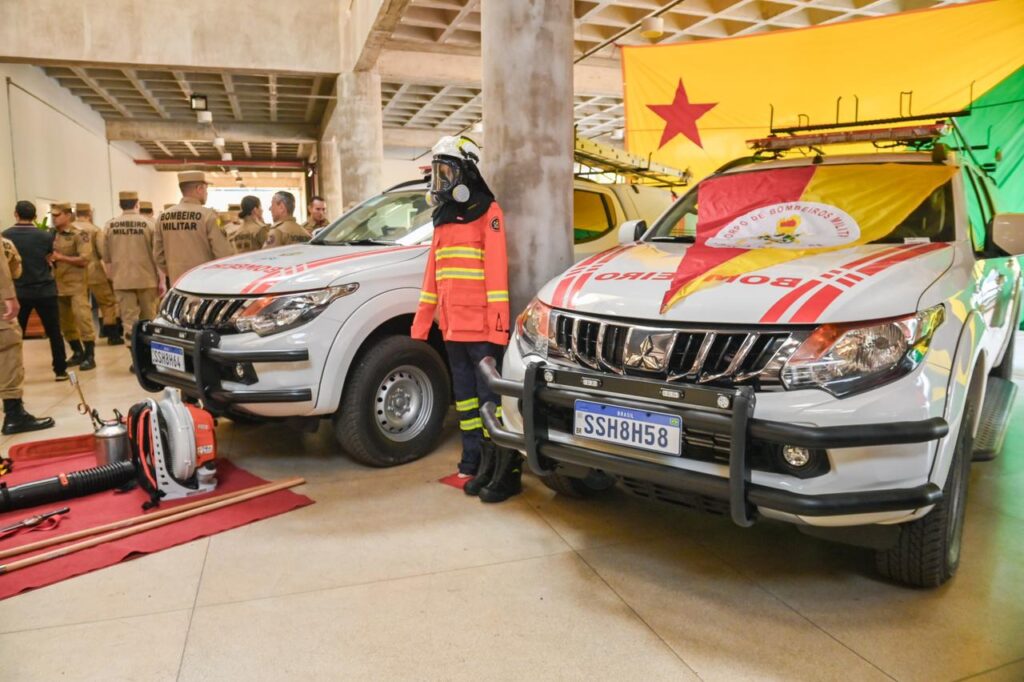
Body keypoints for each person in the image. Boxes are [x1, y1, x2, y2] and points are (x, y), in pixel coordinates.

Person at [411, 135, 521, 503]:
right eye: (437, 173)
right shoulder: (441, 219)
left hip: (482, 330)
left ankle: (499, 466)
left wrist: (499, 328)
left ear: (466, 172)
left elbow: (496, 276)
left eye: (446, 172)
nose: (440, 182)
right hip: (453, 328)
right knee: (465, 401)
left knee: (489, 399)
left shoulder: (488, 213)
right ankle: (472, 460)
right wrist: (422, 323)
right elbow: (433, 275)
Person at [2, 201, 68, 381]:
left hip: (20, 292)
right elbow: (50, 259)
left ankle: (16, 372)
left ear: (15, 214)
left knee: (16, 336)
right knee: (54, 332)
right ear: (35, 217)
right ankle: (60, 370)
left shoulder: (5, 237)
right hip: (45, 290)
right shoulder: (46, 236)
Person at [1, 226, 55, 435]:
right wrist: (9, 296)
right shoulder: (5, 244)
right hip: (2, 309)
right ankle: (14, 415)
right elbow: (13, 270)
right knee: (8, 355)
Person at [101, 191, 159, 352]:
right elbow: (157, 255)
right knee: (149, 318)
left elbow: (106, 258)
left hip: (122, 279)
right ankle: (149, 355)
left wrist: (112, 278)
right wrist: (160, 279)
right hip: (147, 278)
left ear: (120, 205)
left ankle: (135, 356)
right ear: (137, 204)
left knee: (129, 321)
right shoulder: (148, 224)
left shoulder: (109, 226)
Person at [153, 171, 232, 284]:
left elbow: (158, 255)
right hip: (204, 283)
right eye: (206, 189)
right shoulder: (209, 216)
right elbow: (223, 254)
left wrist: (174, 272)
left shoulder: (163, 216)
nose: (206, 193)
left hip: (177, 283)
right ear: (199, 189)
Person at [51, 202, 96, 371]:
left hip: (77, 285)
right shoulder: (51, 235)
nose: (54, 219)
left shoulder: (80, 234)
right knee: (66, 323)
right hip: (58, 285)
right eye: (53, 215)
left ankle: (90, 354)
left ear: (68, 215)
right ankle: (77, 351)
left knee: (83, 319)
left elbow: (84, 260)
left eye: (57, 215)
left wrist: (60, 257)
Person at [74, 202, 122, 346]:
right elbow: (103, 252)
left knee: (79, 305)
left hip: (75, 274)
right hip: (94, 271)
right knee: (107, 302)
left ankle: (81, 337)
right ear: (89, 213)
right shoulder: (95, 230)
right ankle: (112, 335)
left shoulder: (70, 229)